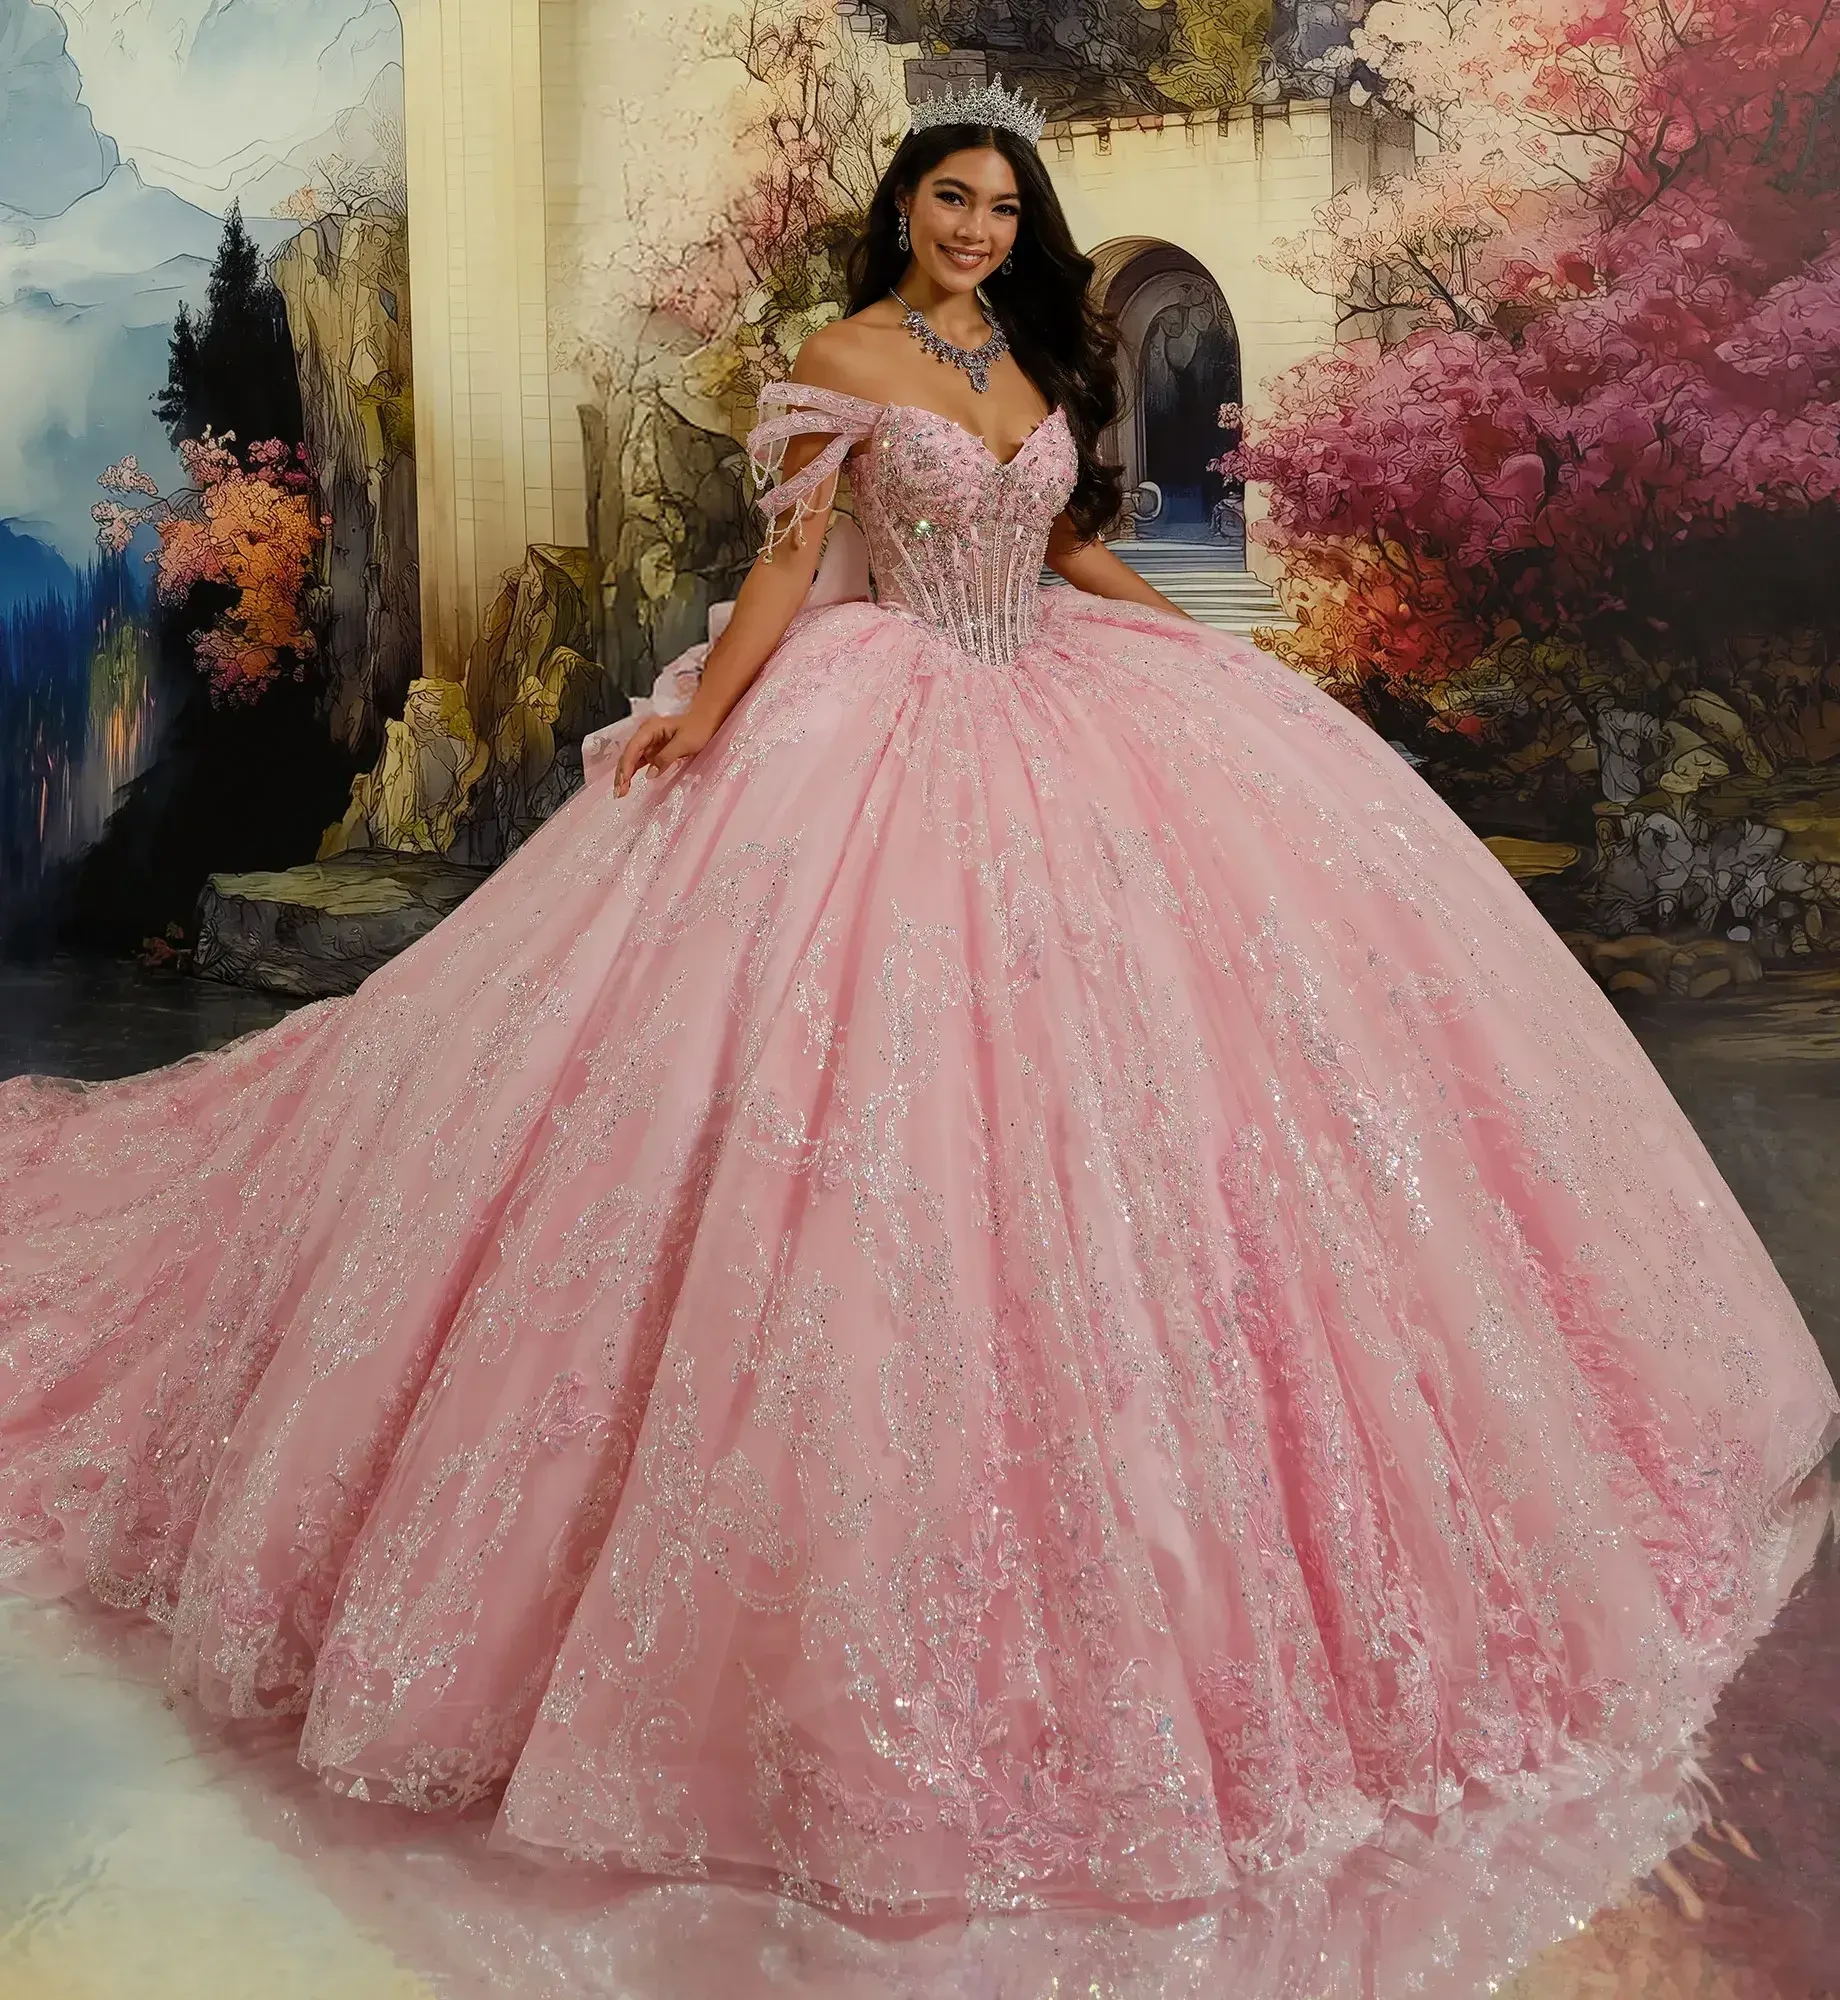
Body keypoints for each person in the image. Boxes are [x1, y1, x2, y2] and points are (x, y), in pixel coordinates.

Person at [0, 76, 1834, 1961]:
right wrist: (705, 717)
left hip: (1051, 695)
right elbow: (799, 564)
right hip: (876, 725)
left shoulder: (1035, 351)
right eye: (952, 201)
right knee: (858, 1101)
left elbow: (1054, 552)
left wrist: (1196, 650)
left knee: (1178, 1094)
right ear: (902, 209)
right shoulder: (842, 351)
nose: (977, 229)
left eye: (999, 207)